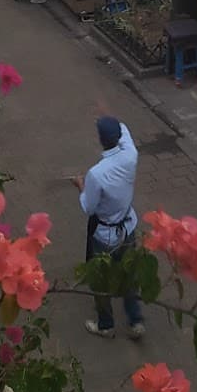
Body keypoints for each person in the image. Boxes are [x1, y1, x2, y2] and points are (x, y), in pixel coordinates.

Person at [74, 115, 145, 341]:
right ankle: (135, 320)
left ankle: (106, 324)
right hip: (128, 226)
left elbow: (88, 206)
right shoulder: (130, 155)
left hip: (104, 235)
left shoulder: (97, 173)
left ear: (101, 140)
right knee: (129, 274)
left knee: (100, 279)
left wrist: (81, 186)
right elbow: (125, 131)